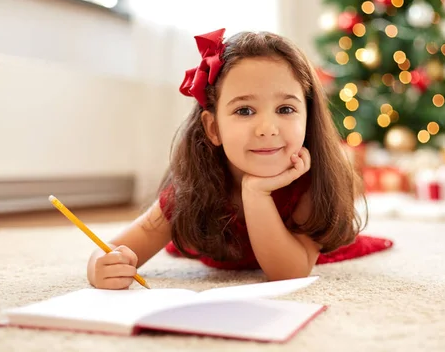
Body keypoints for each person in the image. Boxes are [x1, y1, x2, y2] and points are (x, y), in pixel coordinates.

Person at [87, 28, 392, 290]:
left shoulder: (311, 183)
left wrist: (256, 193)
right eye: (245, 111)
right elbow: (113, 249)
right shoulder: (191, 188)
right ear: (214, 127)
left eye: (286, 109)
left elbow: (289, 274)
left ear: (307, 118)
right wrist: (101, 265)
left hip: (302, 247)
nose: (267, 129)